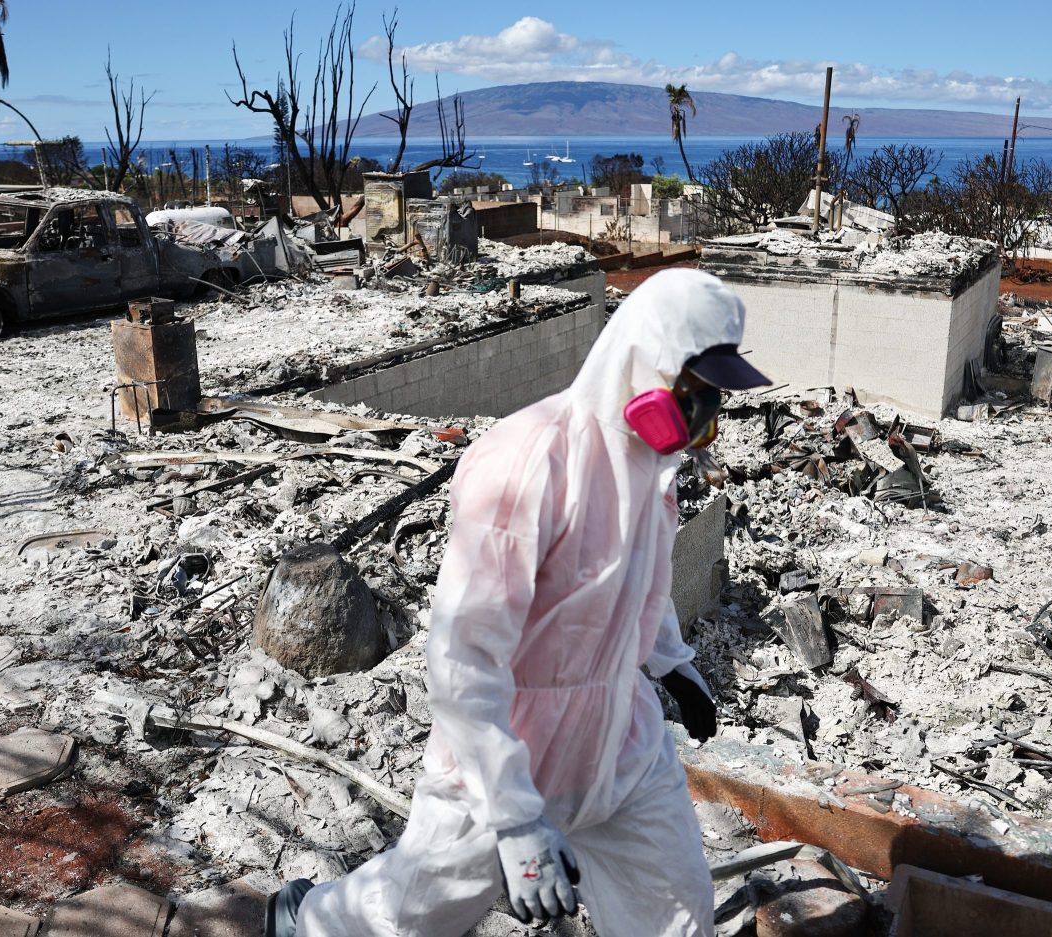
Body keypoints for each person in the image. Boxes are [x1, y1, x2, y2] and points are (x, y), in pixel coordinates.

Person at [267, 268, 771, 937]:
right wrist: (516, 818)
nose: (704, 411)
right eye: (695, 388)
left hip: (621, 741)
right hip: (509, 751)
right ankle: (308, 919)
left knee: (676, 912)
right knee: (410, 916)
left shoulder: (653, 468)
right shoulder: (528, 460)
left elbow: (635, 584)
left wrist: (672, 662)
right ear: (644, 361)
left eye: (714, 395)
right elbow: (463, 657)